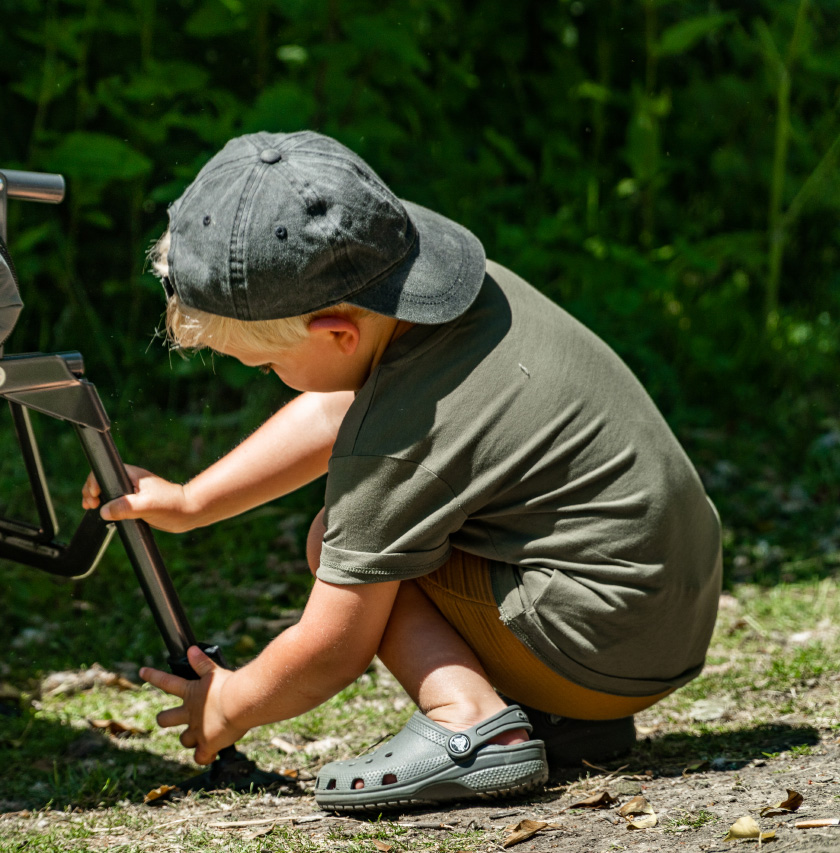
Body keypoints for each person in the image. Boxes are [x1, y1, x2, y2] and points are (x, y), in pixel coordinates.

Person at [82, 131, 723, 810]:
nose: (275, 380)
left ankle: (467, 720)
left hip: (604, 643)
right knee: (366, 531)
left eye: (269, 365)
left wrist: (231, 702)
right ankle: (558, 718)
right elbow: (341, 411)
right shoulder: (445, 309)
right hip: (659, 609)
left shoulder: (403, 433)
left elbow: (333, 647)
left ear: (337, 335)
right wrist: (191, 499)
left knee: (338, 535)